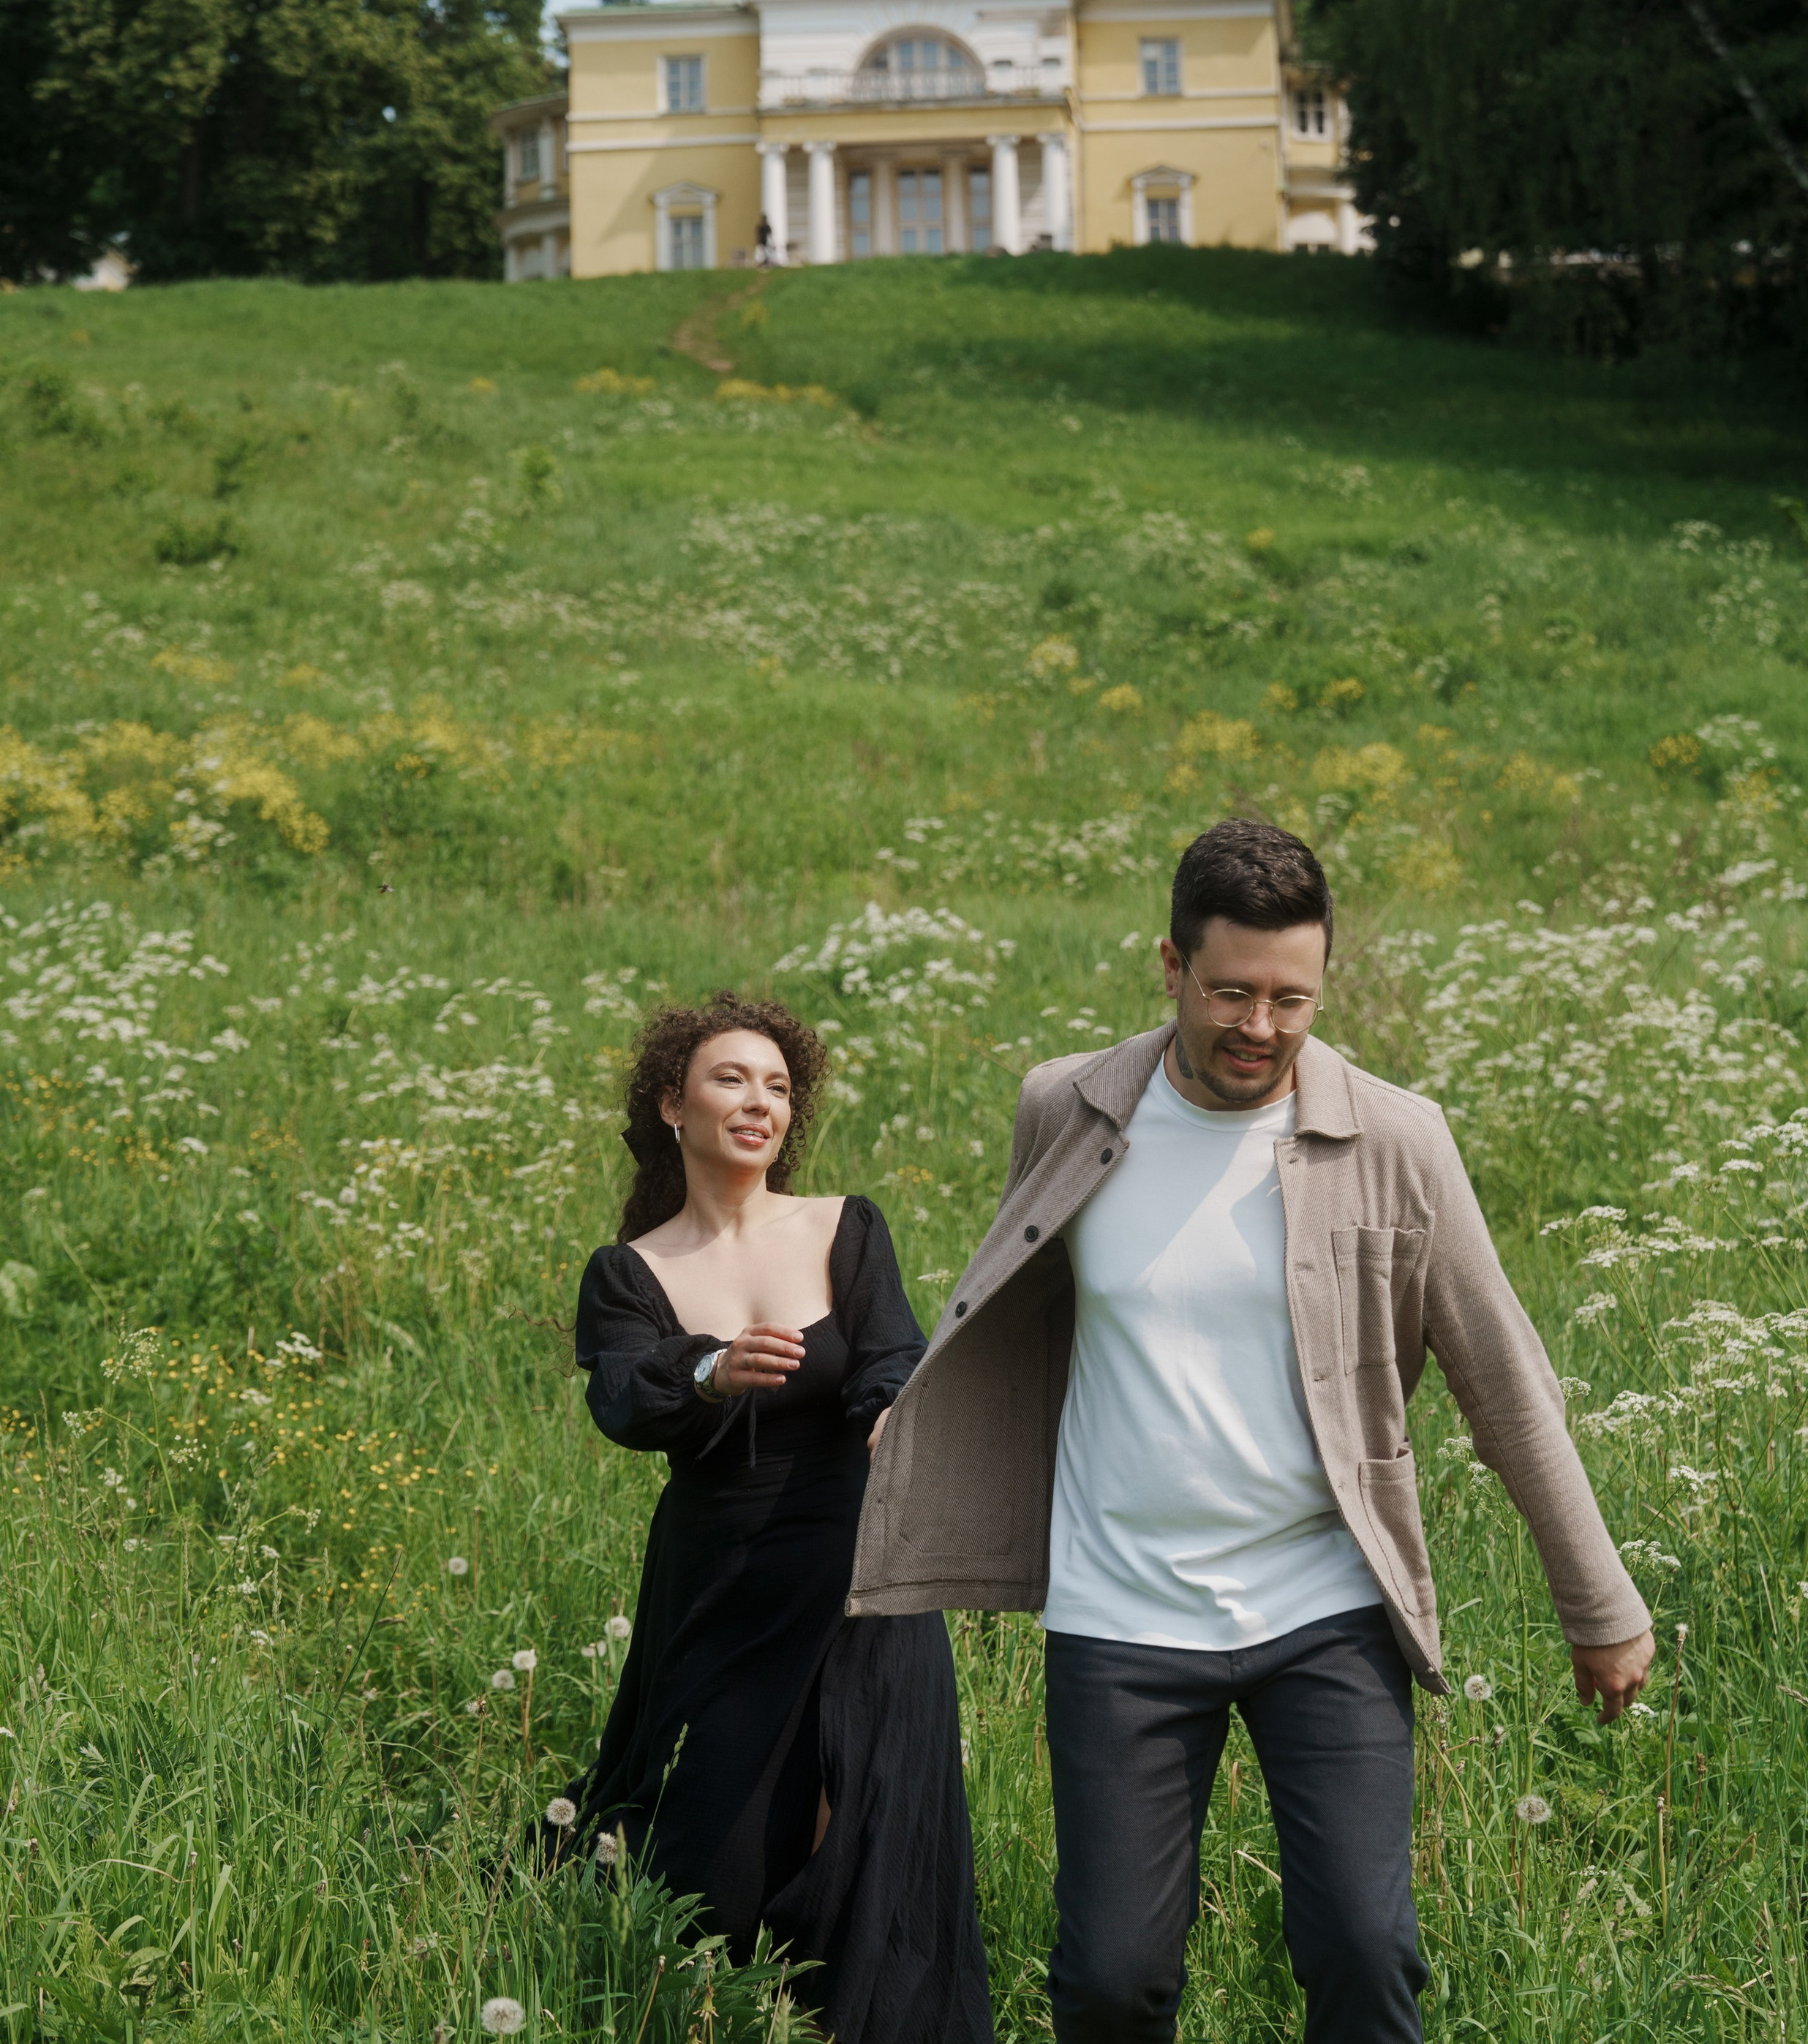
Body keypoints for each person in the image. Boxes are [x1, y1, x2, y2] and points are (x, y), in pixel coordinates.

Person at [851, 819, 1655, 2044]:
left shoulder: (1397, 1139)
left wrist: (1599, 1604)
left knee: (1365, 1948)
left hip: (1323, 1604)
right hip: (1120, 1610)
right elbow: (1016, 1308)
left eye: (1293, 998)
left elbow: (1506, 1381)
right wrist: (925, 1432)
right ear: (1171, 966)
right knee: (1112, 1977)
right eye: (1231, 993)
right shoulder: (1068, 1106)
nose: (1261, 1027)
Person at [565, 992, 992, 2044]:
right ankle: (700, 2011)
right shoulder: (631, 1271)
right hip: (723, 1577)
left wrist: (892, 1412)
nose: (760, 1102)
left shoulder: (844, 1225)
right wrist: (708, 1371)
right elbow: (623, 1399)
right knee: (711, 1862)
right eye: (731, 1079)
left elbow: (890, 1355)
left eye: (780, 1087)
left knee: (869, 1825)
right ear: (672, 1104)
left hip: (862, 1560)